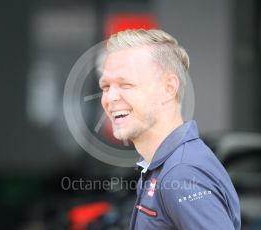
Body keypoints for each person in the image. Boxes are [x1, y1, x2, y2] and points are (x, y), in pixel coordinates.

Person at [99, 29, 241, 230]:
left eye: (126, 84)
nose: (110, 97)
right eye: (105, 87)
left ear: (168, 88)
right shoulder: (163, 166)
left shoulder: (182, 172)